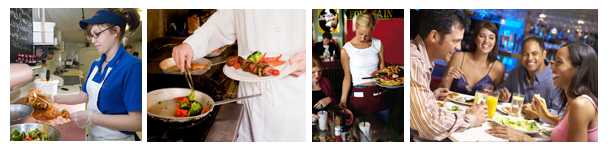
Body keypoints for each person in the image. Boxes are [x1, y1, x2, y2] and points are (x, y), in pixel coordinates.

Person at [171, 10, 306, 141]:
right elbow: (222, 23)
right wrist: (191, 45)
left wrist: (309, 57)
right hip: (250, 95)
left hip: (291, 91)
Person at [52, 8, 142, 140]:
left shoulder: (132, 66)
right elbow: (83, 96)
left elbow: (137, 122)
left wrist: (91, 117)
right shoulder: (96, 64)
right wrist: (53, 98)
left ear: (116, 31)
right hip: (93, 136)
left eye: (97, 34)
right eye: (91, 36)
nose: (93, 41)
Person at [488, 42, 598, 142]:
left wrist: (522, 138)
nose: (552, 67)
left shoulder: (581, 105)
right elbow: (565, 127)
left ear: (578, 69)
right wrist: (543, 114)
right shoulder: (573, 100)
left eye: (559, 62)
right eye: (553, 62)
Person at [410, 10, 485, 141]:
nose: (459, 47)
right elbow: (429, 125)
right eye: (455, 41)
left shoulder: (422, 57)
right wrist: (470, 118)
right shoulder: (414, 61)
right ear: (434, 36)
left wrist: (430, 96)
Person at [498, 36, 562, 117]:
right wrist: (502, 95)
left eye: (534, 54)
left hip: (542, 128)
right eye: (525, 54)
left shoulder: (555, 79)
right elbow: (500, 91)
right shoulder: (516, 73)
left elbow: (559, 113)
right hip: (513, 122)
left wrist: (538, 113)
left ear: (544, 54)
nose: (530, 58)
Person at [338, 12, 386, 115]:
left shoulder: (378, 44)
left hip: (378, 93)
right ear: (356, 27)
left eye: (367, 35)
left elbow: (383, 68)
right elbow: (347, 77)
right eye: (360, 34)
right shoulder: (346, 49)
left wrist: (381, 73)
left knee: (383, 129)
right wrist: (343, 100)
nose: (363, 38)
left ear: (372, 30)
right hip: (359, 96)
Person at [440, 21, 505, 95]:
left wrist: (499, 95)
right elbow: (441, 91)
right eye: (482, 36)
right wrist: (447, 78)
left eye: (491, 38)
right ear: (475, 39)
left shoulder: (498, 68)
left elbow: (497, 97)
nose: (486, 41)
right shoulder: (459, 57)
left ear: (495, 42)